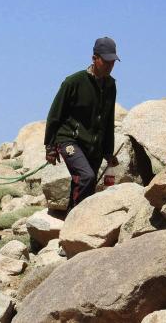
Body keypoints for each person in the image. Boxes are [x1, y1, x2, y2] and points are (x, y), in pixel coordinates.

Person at [44, 36, 120, 213]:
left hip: (94, 146)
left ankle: (71, 224)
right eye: (106, 61)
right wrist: (50, 146)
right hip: (69, 139)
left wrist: (108, 152)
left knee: (88, 184)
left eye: (113, 61)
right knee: (87, 176)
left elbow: (108, 119)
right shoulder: (73, 82)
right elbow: (55, 114)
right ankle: (77, 220)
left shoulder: (111, 85)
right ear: (94, 58)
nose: (110, 65)